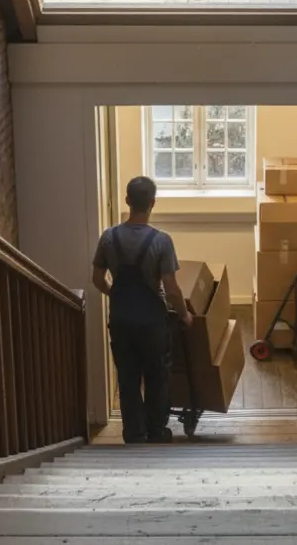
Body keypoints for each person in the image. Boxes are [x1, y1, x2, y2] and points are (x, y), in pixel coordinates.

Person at [91, 176, 193, 444]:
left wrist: (117, 294)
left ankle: (133, 435)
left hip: (121, 320)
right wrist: (184, 314)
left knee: (127, 378)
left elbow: (97, 279)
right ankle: (157, 432)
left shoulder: (108, 238)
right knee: (157, 376)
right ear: (152, 203)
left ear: (127, 201)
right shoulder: (162, 241)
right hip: (152, 323)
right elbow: (171, 288)